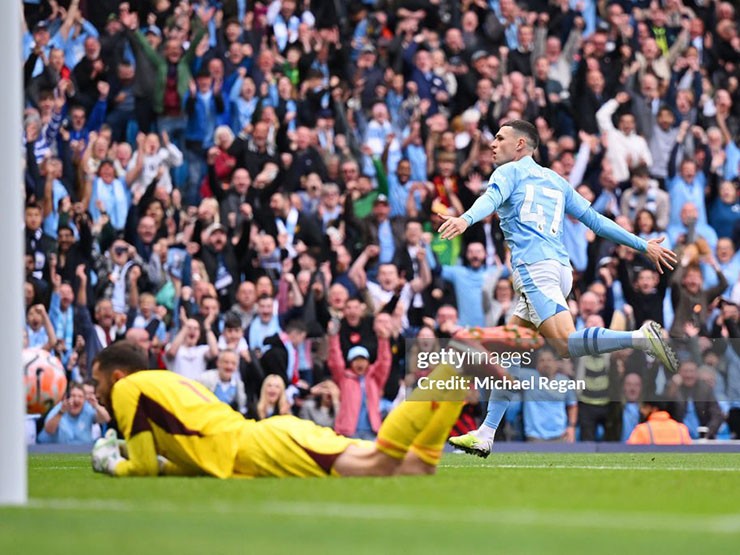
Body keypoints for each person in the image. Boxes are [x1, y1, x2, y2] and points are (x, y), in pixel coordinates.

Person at [439, 120, 678, 456]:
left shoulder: (507, 173)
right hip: (558, 269)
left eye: (499, 138)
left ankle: (640, 338)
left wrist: (465, 219)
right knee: (509, 353)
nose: (492, 144)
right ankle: (486, 433)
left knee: (565, 344)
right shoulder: (556, 180)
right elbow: (595, 220)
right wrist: (643, 246)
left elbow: (490, 200)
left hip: (535, 269)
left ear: (520, 145)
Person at [90, 341, 468, 478]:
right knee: (415, 467)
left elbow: (139, 469)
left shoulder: (127, 390)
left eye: (98, 382)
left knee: (381, 464)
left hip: (260, 446)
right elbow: (189, 455)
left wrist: (110, 459)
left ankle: (451, 366)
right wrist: (145, 457)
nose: (98, 392)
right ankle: (453, 379)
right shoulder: (161, 381)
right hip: (267, 439)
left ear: (118, 376)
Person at [626, 399, 692, 445]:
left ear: (654, 409)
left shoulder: (642, 430)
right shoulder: (682, 429)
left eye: (644, 407)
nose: (641, 410)